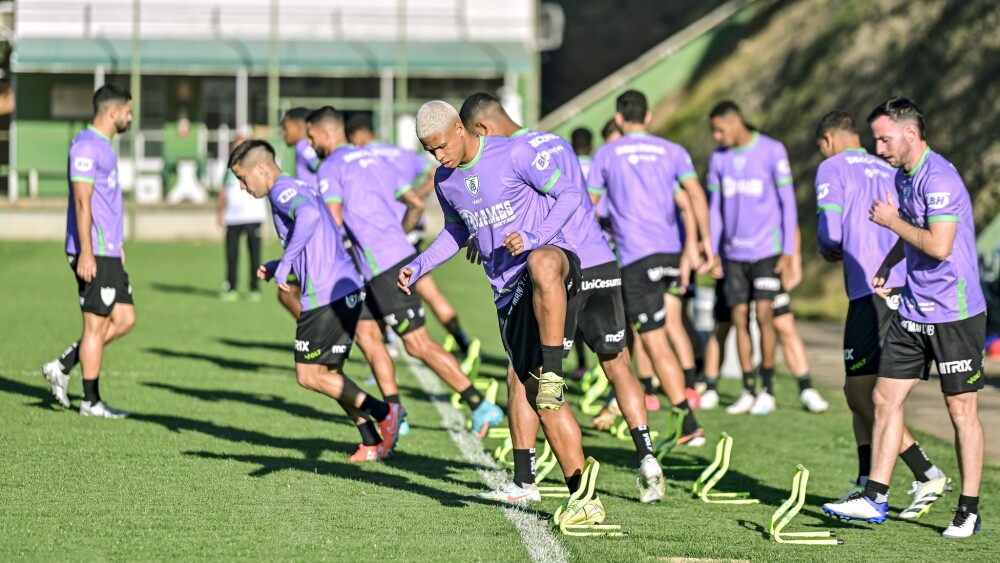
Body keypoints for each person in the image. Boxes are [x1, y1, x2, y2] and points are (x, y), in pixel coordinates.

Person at [401, 100, 606, 526]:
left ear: (461, 128)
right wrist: (418, 264)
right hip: (506, 293)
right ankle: (583, 497)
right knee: (541, 399)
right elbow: (456, 231)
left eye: (441, 146)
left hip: (553, 262)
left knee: (541, 262)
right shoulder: (445, 179)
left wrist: (535, 234)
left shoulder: (513, 152)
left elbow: (570, 193)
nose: (438, 157)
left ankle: (554, 369)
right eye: (429, 151)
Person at [460, 92, 664, 503]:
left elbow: (528, 212)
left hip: (558, 271)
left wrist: (490, 237)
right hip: (601, 259)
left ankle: (525, 482)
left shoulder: (511, 154)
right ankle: (647, 460)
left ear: (481, 128)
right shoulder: (558, 143)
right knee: (618, 364)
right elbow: (579, 198)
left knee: (525, 375)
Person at [823, 98, 986, 539]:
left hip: (955, 311)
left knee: (960, 409)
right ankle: (874, 497)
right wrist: (889, 263)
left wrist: (892, 224)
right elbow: (912, 227)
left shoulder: (941, 179)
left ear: (910, 135)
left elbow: (938, 245)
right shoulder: (901, 175)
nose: (878, 148)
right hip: (913, 306)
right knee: (882, 398)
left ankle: (968, 509)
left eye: (884, 138)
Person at [306, 106, 504, 437]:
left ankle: (480, 404)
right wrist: (399, 238)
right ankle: (396, 412)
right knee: (368, 336)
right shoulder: (374, 160)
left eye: (311, 137)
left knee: (417, 343)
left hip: (382, 265)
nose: (311, 144)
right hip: (380, 261)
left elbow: (333, 221)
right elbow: (414, 202)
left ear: (327, 134)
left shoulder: (330, 167)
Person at [814, 110, 951, 518]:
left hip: (873, 290)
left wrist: (827, 246)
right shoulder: (886, 165)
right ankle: (863, 482)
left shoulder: (831, 166)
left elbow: (830, 230)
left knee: (868, 395)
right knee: (858, 392)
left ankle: (925, 473)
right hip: (900, 283)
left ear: (827, 140)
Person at [229, 140, 402, 462]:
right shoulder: (297, 185)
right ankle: (371, 441)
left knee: (309, 375)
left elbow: (308, 219)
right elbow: (317, 239)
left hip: (325, 294)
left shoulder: (282, 192)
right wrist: (279, 264)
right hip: (343, 287)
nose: (241, 187)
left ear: (261, 169)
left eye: (242, 178)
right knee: (330, 374)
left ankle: (385, 413)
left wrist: (286, 263)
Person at [588, 90, 707, 445]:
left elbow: (586, 205)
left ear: (619, 119)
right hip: (672, 255)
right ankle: (683, 410)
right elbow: (695, 196)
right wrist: (703, 246)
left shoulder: (607, 153)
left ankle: (688, 423)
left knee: (650, 339)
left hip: (637, 259)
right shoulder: (672, 150)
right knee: (666, 329)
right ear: (649, 117)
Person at [706, 101, 827, 415]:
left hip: (766, 252)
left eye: (719, 129)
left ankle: (769, 389)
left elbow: (788, 204)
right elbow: (714, 209)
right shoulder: (719, 159)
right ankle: (748, 389)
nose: (717, 137)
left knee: (766, 317)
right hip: (733, 255)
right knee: (738, 320)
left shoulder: (772, 151)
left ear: (734, 123)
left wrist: (789, 252)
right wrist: (714, 249)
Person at [346, 114, 482, 366]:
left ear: (356, 136)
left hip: (386, 234)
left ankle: (388, 341)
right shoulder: (400, 153)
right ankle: (462, 340)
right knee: (428, 290)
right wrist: (418, 194)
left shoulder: (363, 159)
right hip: (412, 228)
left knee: (378, 285)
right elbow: (433, 171)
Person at [41, 84, 136, 418]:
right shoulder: (86, 145)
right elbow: (82, 201)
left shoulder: (104, 146)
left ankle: (63, 365)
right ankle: (91, 402)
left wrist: (116, 245)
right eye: (128, 110)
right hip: (91, 250)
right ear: (113, 112)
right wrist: (86, 251)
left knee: (124, 318)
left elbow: (105, 202)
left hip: (108, 250)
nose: (130, 116)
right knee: (95, 326)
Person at [276, 107, 320, 317]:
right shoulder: (301, 148)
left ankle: (318, 334)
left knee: (288, 292)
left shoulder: (304, 147)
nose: (282, 132)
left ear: (298, 127)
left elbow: (326, 164)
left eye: (285, 127)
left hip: (316, 228)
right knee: (289, 291)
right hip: (316, 227)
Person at [216, 136, 267, 302]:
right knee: (231, 255)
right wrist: (219, 213)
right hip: (233, 217)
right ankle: (231, 286)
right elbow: (223, 191)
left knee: (254, 254)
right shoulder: (229, 169)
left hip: (253, 216)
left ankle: (254, 287)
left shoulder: (259, 167)